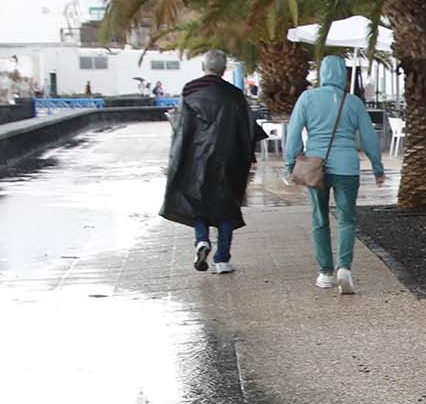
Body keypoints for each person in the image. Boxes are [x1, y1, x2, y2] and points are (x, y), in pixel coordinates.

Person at [284, 53, 384, 294]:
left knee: (319, 218)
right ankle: (345, 269)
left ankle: (326, 273)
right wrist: (377, 167)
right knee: (347, 218)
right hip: (347, 167)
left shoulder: (307, 98)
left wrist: (290, 164)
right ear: (343, 74)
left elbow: (294, 133)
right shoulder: (353, 102)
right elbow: (368, 138)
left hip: (314, 166)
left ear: (322, 73)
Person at [160, 49, 261, 274]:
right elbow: (247, 128)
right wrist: (248, 157)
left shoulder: (190, 89)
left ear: (203, 67)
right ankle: (222, 259)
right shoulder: (234, 94)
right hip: (229, 159)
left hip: (195, 159)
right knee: (227, 207)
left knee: (197, 202)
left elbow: (183, 127)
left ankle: (202, 240)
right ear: (224, 69)